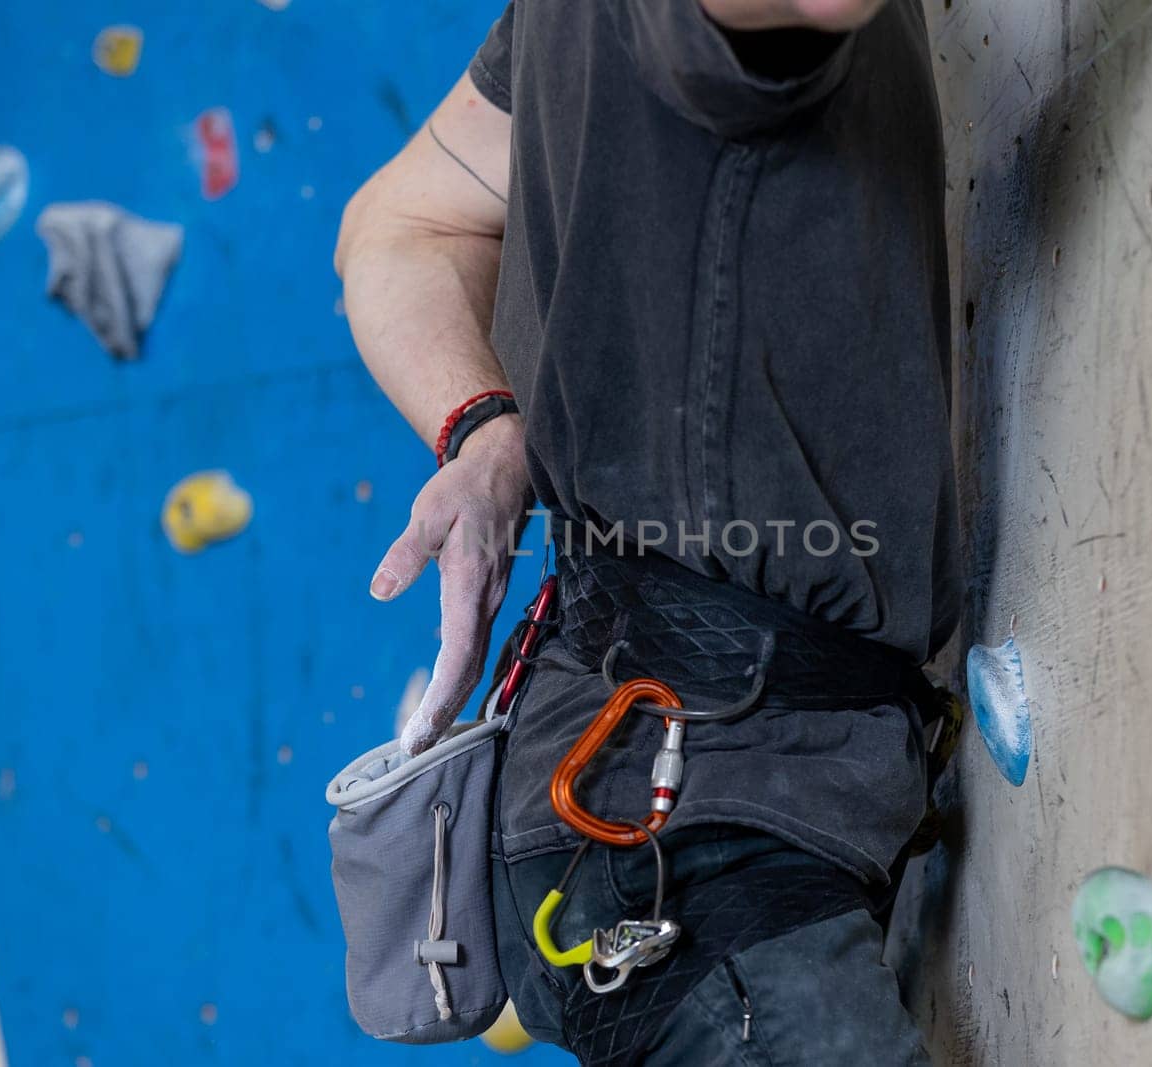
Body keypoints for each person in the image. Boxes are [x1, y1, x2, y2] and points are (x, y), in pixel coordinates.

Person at [334, 0, 960, 1061]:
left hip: (664, 798)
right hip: (687, 826)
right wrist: (484, 430)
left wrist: (481, 432)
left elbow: (399, 226)